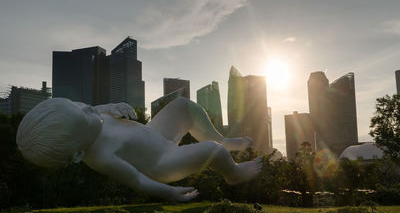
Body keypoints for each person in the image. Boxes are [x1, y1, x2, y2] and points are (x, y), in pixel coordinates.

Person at [16, 97, 262, 202]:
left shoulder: (88, 114)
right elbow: (137, 181)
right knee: (212, 151)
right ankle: (234, 173)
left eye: (79, 106)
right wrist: (168, 193)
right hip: (163, 162)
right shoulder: (101, 157)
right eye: (85, 115)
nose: (89, 109)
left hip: (156, 134)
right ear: (79, 154)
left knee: (184, 106)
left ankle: (225, 140)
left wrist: (115, 106)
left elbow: (99, 108)